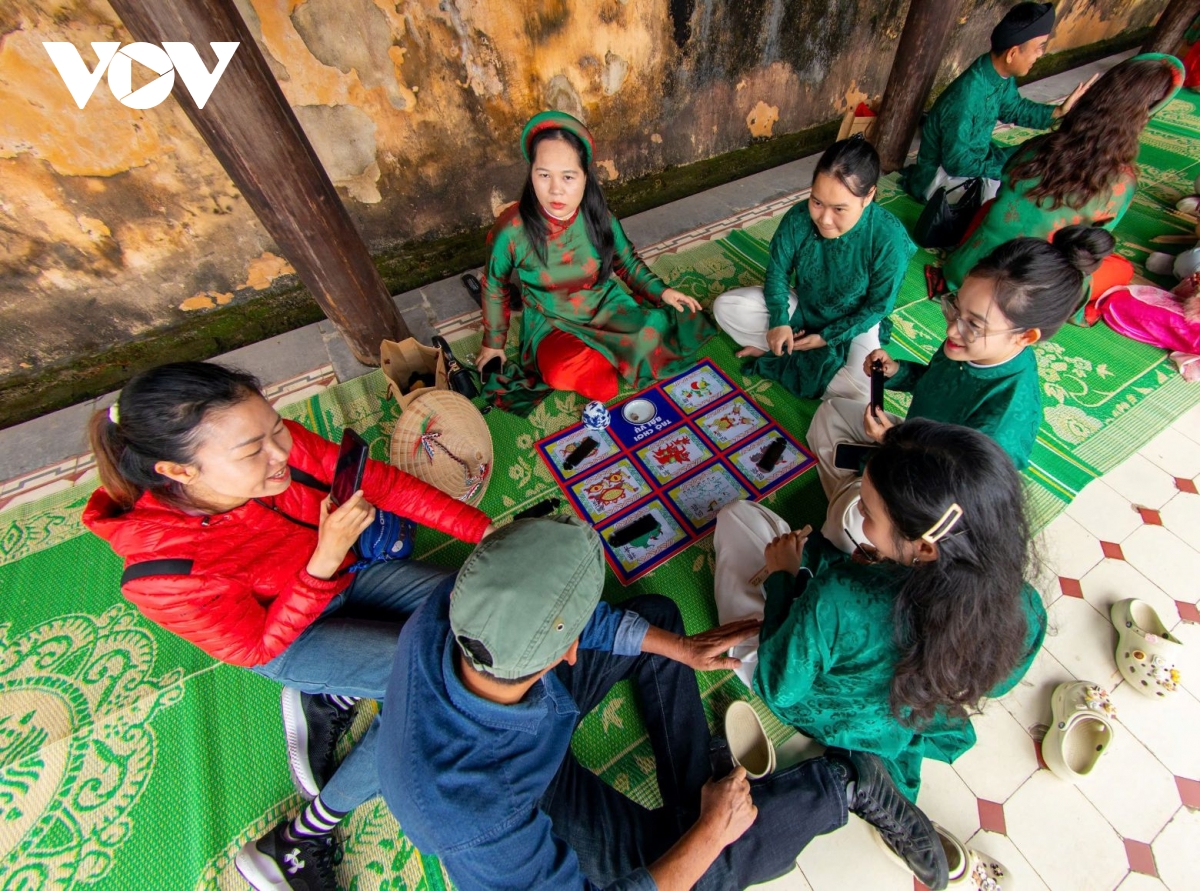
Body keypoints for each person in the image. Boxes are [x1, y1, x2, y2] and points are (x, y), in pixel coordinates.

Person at [81, 361, 494, 891]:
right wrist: (323, 558)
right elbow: (256, 646)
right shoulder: (162, 572)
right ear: (179, 471)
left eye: (276, 426)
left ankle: (330, 694)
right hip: (289, 634)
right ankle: (300, 837)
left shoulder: (273, 443)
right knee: (442, 684)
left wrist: (485, 532)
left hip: (346, 575)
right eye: (253, 449)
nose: (282, 451)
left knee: (477, 601)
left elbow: (382, 483)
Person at [377, 516, 952, 891]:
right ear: (567, 651)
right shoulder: (475, 816)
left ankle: (693, 794)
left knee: (656, 621)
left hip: (519, 721)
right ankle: (847, 781)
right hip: (524, 788)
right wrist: (708, 836)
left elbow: (574, 621)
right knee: (697, 868)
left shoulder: (461, 605)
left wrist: (679, 650)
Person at [712, 420, 1047, 804]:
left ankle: (850, 762)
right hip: (911, 710)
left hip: (826, 708)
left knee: (737, 518)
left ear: (924, 548)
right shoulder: (1025, 603)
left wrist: (783, 577)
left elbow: (780, 688)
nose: (863, 518)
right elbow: (999, 680)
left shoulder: (840, 598)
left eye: (869, 512)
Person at [808, 227, 1112, 553]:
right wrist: (897, 372)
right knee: (831, 413)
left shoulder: (1006, 417)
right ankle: (864, 496)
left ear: (1024, 337)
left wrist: (891, 446)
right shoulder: (967, 344)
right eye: (955, 307)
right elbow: (937, 383)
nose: (953, 327)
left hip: (938, 491)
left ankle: (868, 513)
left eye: (974, 324)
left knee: (847, 528)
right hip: (913, 441)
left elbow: (961, 493)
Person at [476, 110, 714, 414]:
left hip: (604, 307)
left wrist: (662, 293)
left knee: (654, 330)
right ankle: (612, 355)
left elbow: (626, 263)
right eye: (543, 174)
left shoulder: (598, 216)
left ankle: (612, 351)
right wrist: (493, 343)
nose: (555, 189)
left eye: (568, 176)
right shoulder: (511, 229)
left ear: (586, 177)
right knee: (560, 372)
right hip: (551, 321)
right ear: (531, 173)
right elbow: (494, 285)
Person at [943, 54, 1184, 294]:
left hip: (972, 266)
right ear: (1144, 114)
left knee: (993, 209)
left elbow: (1006, 183)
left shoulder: (1038, 146)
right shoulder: (1121, 183)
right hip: (1029, 286)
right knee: (1121, 269)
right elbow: (1090, 246)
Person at [713, 136, 916, 401]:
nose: (824, 219)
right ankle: (790, 347)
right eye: (817, 202)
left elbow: (877, 307)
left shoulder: (889, 239)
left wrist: (825, 337)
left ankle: (784, 354)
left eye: (839, 208)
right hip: (805, 307)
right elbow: (777, 272)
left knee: (861, 392)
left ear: (869, 196)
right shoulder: (799, 218)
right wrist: (779, 321)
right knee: (726, 307)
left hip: (855, 323)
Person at [904, 2, 1096, 203]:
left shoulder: (998, 74)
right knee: (1011, 192)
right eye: (1038, 48)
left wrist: (1058, 111)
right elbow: (956, 163)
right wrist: (1007, 169)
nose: (1041, 54)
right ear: (1012, 54)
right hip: (941, 176)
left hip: (978, 160)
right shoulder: (966, 95)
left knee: (1041, 154)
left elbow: (1014, 108)